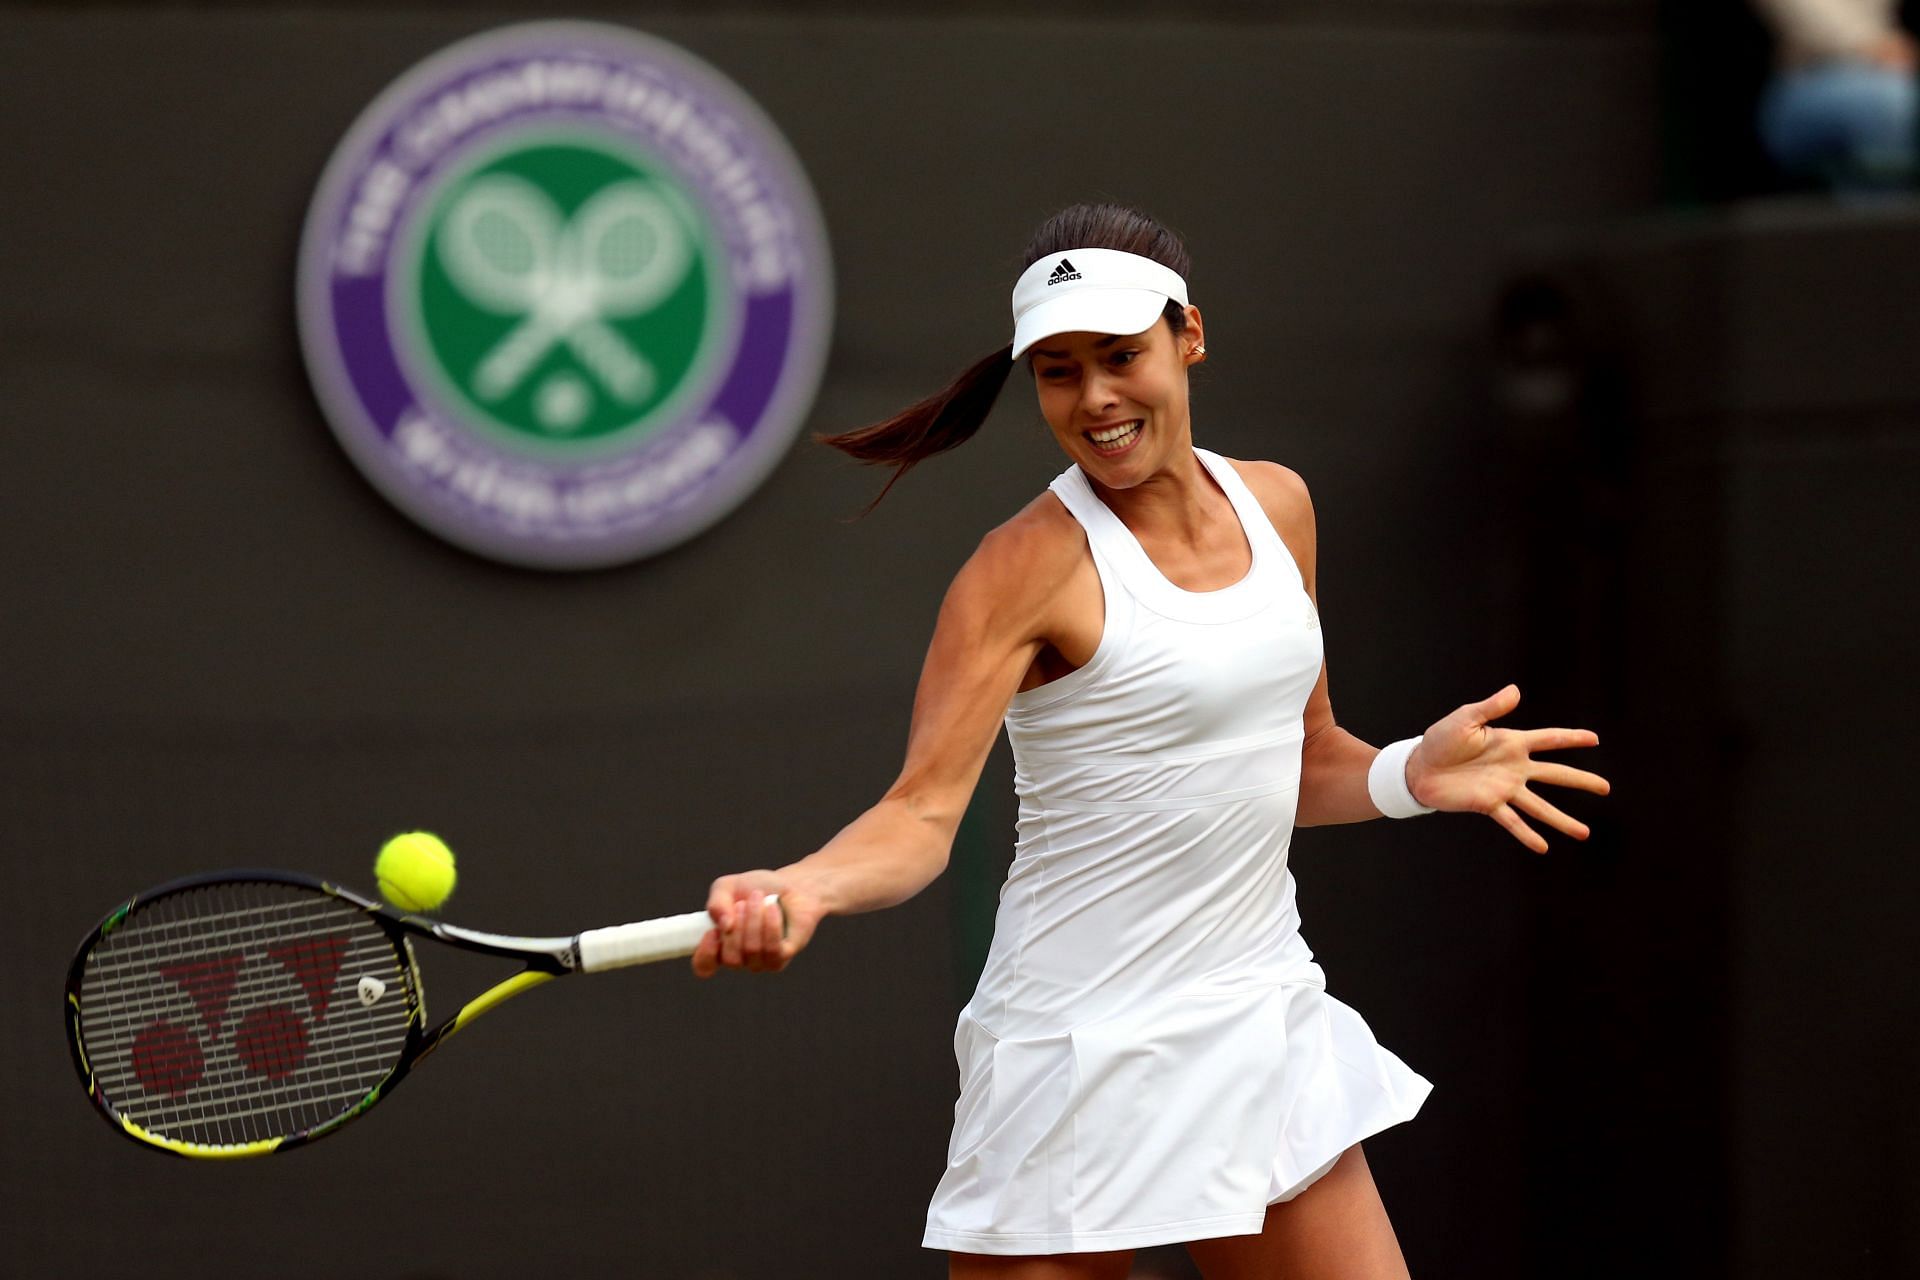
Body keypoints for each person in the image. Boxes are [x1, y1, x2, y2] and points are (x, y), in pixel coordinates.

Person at [691, 204, 1610, 1280]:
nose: (1095, 400)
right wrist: (806, 885)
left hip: (1255, 1017)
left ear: (1191, 336)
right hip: (1072, 1054)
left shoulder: (1279, 504)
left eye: (1122, 356)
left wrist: (1409, 771)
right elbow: (920, 814)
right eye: (1059, 372)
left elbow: (1301, 760)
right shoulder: (1018, 568)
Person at [1752, 0, 1918, 192]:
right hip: (1804, 86)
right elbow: (1806, 18)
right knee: (1884, 98)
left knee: (1893, 92)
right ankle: (1882, 213)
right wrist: (1873, 45)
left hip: (1891, 74)